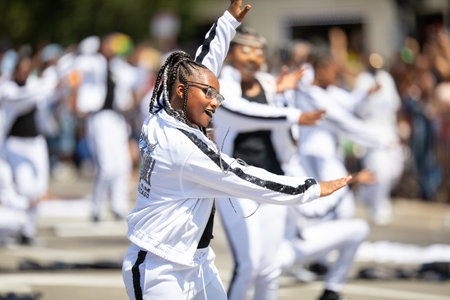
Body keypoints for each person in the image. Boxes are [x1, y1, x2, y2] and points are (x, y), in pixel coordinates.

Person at [121, 1, 351, 299]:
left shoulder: (167, 111)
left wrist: (228, 21)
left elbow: (203, 65)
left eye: (216, 93)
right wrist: (309, 189)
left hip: (197, 262)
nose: (216, 101)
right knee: (250, 264)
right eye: (209, 94)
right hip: (159, 267)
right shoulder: (182, 145)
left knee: (264, 268)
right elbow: (239, 175)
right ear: (181, 91)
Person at [212, 27, 324, 300]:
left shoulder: (269, 85)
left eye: (259, 52)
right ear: (231, 54)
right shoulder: (221, 86)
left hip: (272, 180)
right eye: (245, 50)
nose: (253, 57)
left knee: (269, 267)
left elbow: (287, 138)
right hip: (237, 185)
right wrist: (291, 114)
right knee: (248, 264)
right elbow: (242, 113)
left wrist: (283, 96)